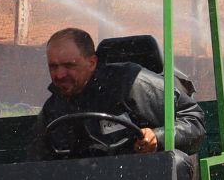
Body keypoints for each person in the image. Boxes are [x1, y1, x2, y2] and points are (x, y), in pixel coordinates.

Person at [29, 28, 204, 161]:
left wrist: (157, 137)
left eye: (69, 65)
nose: (59, 74)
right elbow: (37, 163)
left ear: (92, 62)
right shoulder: (53, 109)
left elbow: (194, 122)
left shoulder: (130, 83)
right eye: (53, 66)